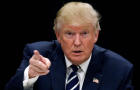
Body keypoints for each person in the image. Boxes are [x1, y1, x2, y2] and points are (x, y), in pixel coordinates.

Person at [5, 1, 133, 90]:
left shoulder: (119, 69)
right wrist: (30, 75)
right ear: (58, 35)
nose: (77, 42)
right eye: (69, 34)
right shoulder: (38, 55)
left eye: (84, 33)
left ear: (96, 35)